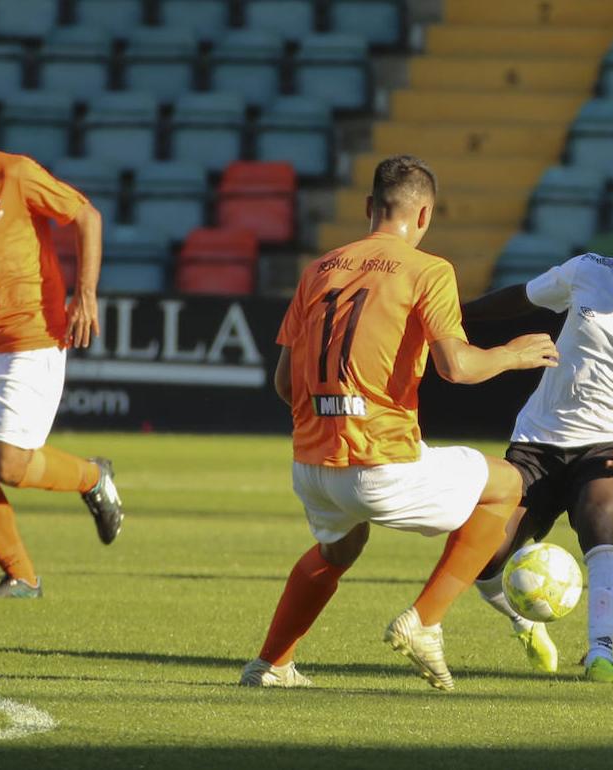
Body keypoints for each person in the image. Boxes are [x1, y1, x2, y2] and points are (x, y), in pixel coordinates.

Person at [239, 155, 559, 692]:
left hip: (311, 467)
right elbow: (456, 367)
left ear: (370, 206)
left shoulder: (319, 269)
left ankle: (271, 664)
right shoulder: (428, 270)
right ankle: (425, 622)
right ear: (425, 214)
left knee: (339, 549)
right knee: (508, 484)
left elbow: (284, 384)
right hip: (378, 465)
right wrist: (513, 354)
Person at [463, 196, 613, 683]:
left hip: (608, 448)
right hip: (538, 441)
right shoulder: (588, 272)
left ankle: (601, 653)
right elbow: (523, 297)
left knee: (599, 521)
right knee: (484, 556)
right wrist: (457, 315)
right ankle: (523, 621)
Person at [0, 82, 123, 599]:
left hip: (31, 341)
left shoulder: (13, 173)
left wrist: (86, 294)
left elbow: (86, 216)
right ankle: (21, 577)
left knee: (6, 464)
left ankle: (92, 477)